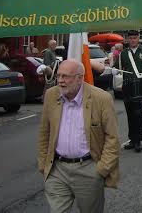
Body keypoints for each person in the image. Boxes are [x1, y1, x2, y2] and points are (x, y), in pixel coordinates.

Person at [37, 59, 119, 213]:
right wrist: (43, 163)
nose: (60, 81)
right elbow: (44, 132)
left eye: (65, 76)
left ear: (79, 78)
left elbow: (112, 138)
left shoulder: (101, 98)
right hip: (57, 170)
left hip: (88, 169)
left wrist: (101, 170)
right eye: (59, 76)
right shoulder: (51, 95)